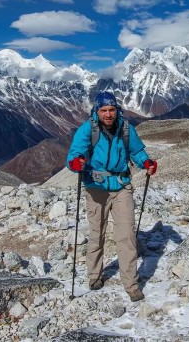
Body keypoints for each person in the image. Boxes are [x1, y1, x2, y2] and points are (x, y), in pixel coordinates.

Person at [67, 91, 157, 302]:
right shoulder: (88, 129)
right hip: (95, 186)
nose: (108, 114)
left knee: (126, 234)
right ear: (96, 111)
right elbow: (74, 154)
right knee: (97, 232)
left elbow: (137, 152)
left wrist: (146, 162)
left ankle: (131, 284)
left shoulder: (126, 129)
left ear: (117, 110)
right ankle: (95, 276)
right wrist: (75, 163)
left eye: (111, 110)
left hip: (121, 185)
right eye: (104, 110)